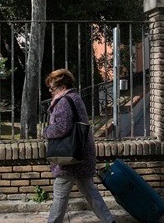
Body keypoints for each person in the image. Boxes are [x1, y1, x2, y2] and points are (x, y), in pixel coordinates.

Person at [43, 69, 115, 223]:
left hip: (68, 157)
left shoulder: (63, 101)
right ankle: (109, 221)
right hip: (81, 153)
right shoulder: (75, 98)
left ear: (63, 87)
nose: (50, 91)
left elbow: (61, 127)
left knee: (60, 195)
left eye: (52, 88)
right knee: (90, 192)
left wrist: (46, 131)